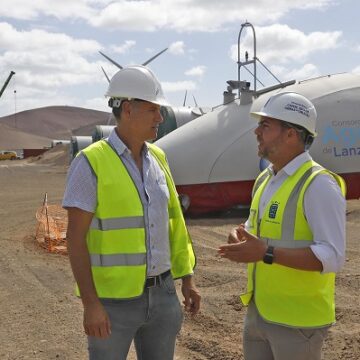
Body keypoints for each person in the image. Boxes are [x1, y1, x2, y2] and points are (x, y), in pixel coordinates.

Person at [63, 65, 201, 360]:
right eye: (153, 110)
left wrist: (187, 278)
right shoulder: (90, 163)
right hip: (113, 303)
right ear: (127, 109)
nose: (160, 118)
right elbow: (75, 239)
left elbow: (174, 225)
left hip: (163, 295)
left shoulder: (159, 158)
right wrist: (91, 304)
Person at [218, 92, 346, 360]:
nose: (256, 131)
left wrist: (266, 253)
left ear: (291, 134)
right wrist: (241, 237)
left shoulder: (318, 184)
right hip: (259, 313)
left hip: (299, 323)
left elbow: (332, 257)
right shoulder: (265, 179)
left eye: (266, 125)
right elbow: (255, 230)